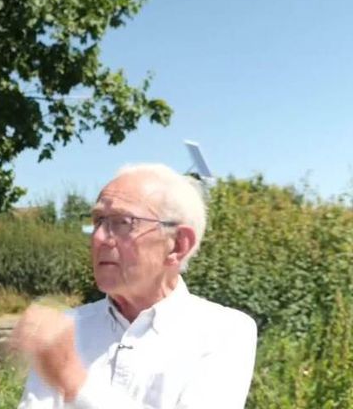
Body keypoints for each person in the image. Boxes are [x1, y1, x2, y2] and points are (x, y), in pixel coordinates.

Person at [13, 163, 257, 409]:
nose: (98, 238)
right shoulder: (67, 328)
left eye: (122, 222)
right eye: (98, 221)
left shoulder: (224, 332)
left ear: (177, 245)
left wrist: (74, 380)